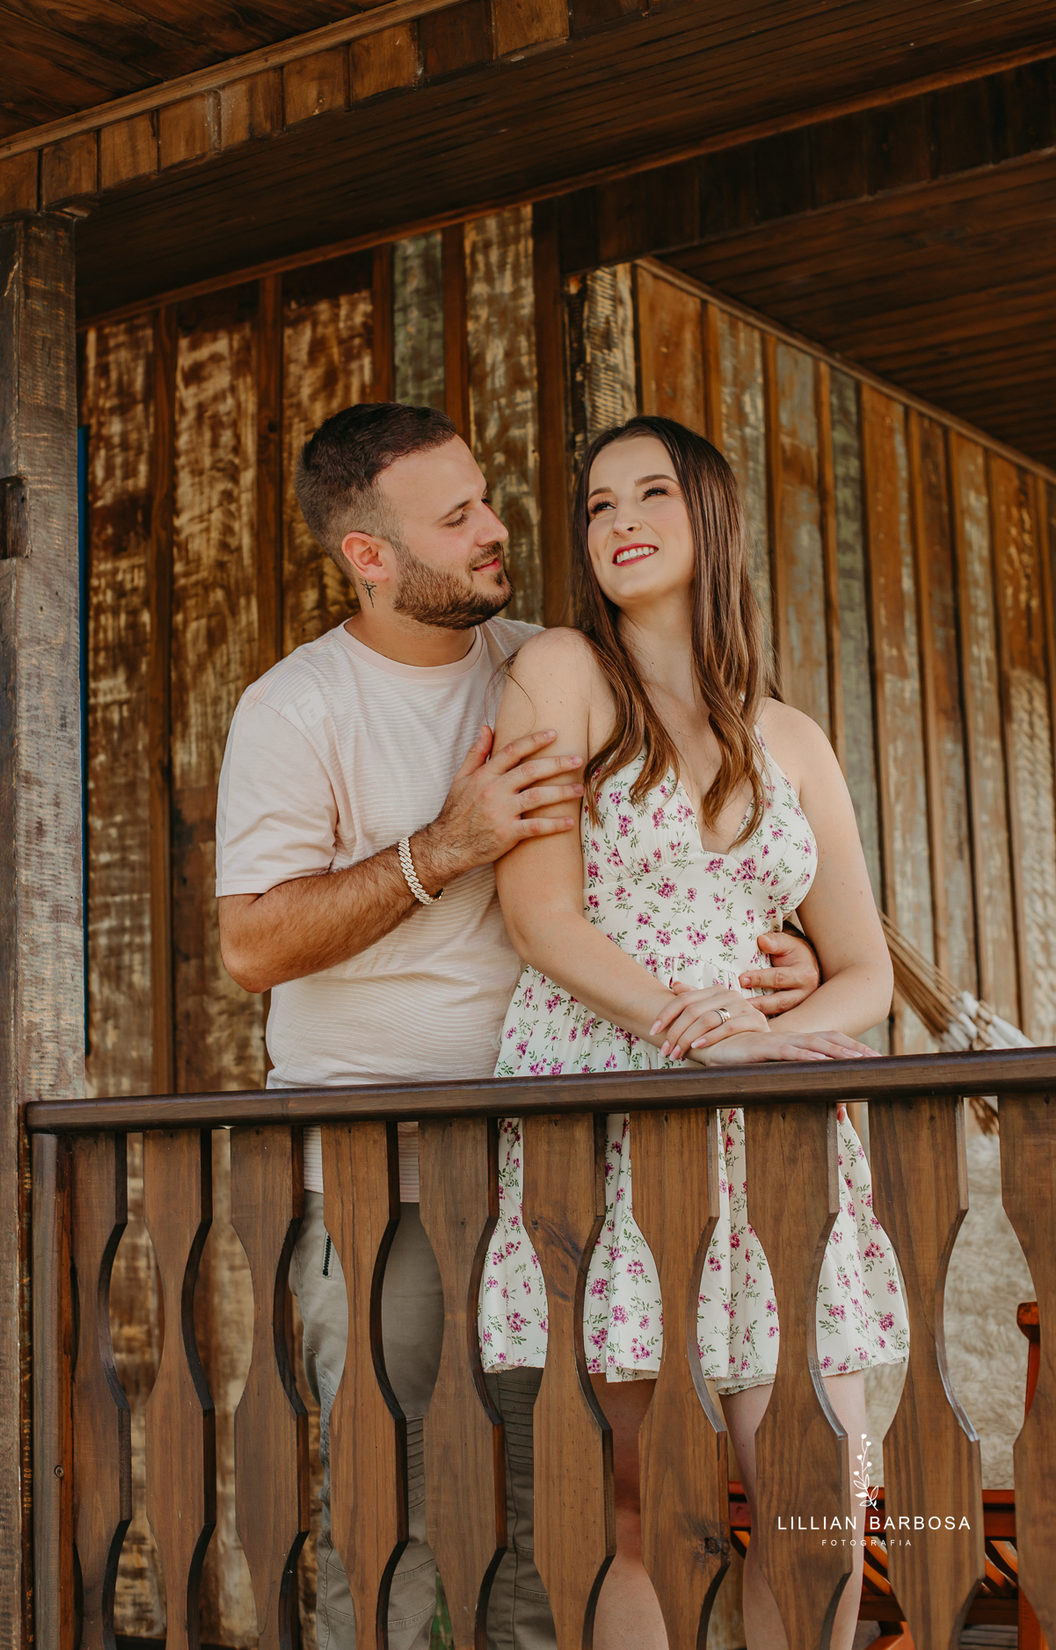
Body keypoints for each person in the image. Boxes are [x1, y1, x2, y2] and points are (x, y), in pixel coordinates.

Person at [216, 402, 825, 1650]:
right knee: (400, 1506)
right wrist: (444, 846)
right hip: (388, 1170)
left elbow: (680, 862)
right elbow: (252, 945)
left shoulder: (553, 662)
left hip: (562, 1161)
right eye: (457, 519)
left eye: (487, 498)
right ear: (370, 555)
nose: (498, 529)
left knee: (569, 1507)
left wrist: (785, 958)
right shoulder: (299, 708)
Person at [477, 415, 909, 1650]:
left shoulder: (792, 737)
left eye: (652, 493)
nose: (620, 521)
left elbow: (868, 972)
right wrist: (695, 1035)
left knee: (814, 1494)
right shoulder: (563, 670)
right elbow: (541, 919)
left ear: (711, 517)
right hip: (612, 1104)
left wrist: (773, 1039)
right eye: (599, 504)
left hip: (771, 1129)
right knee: (640, 1500)